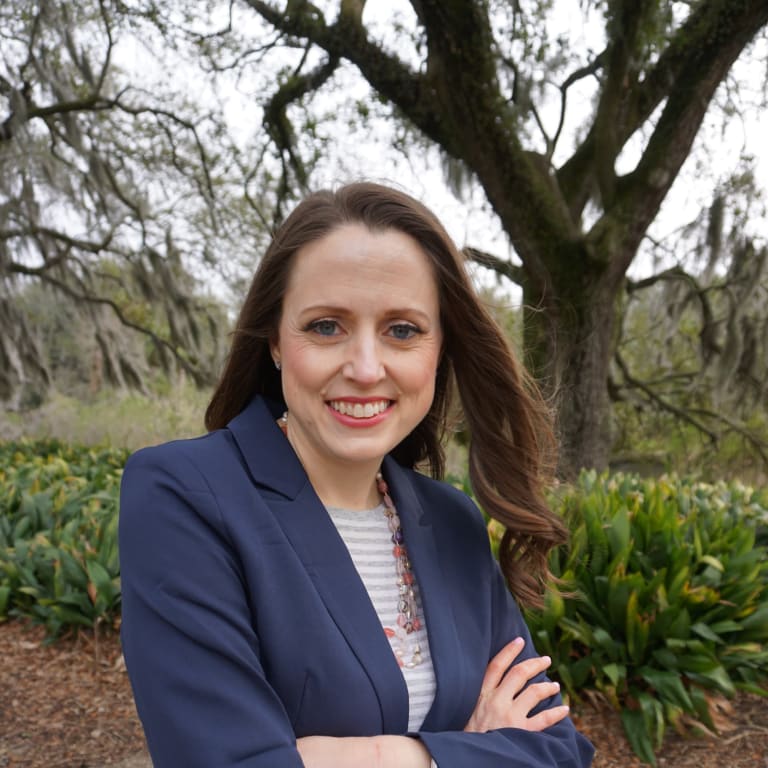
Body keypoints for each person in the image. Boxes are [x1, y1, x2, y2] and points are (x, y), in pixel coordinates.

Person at [119, 181, 595, 768]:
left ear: (440, 347)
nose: (366, 368)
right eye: (326, 326)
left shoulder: (451, 519)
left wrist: (375, 755)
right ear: (274, 338)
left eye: (402, 330)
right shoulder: (184, 494)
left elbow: (556, 747)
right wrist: (467, 751)